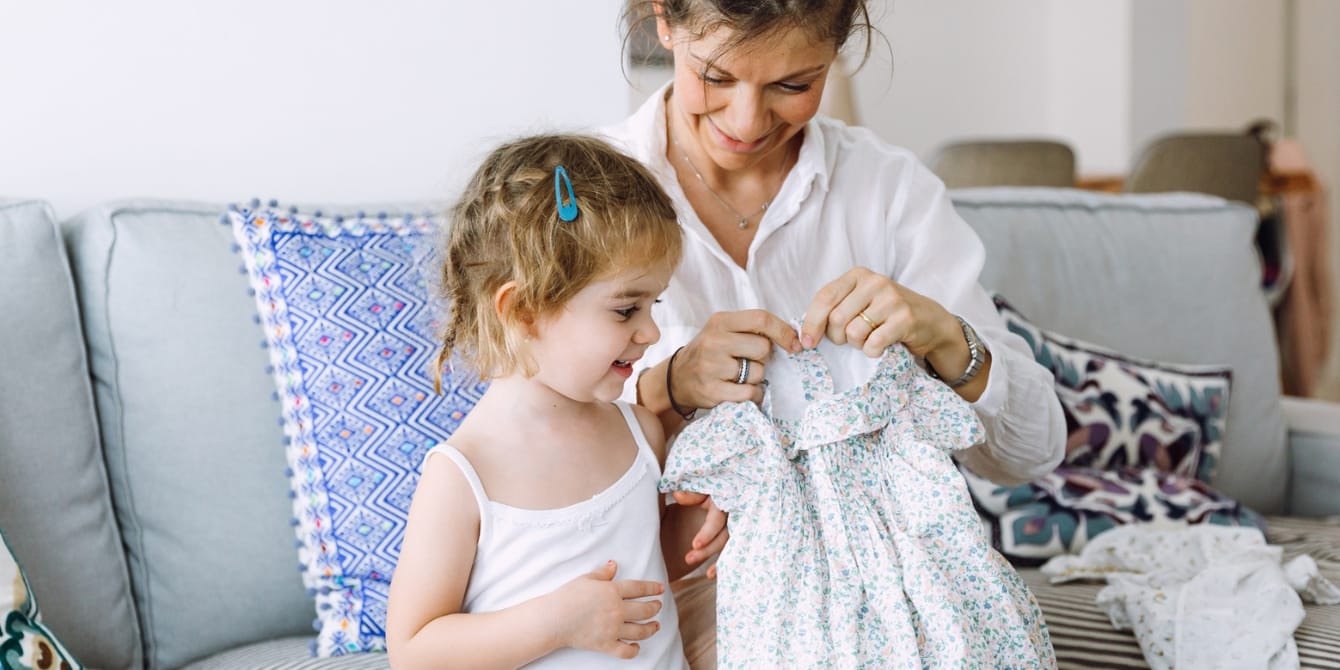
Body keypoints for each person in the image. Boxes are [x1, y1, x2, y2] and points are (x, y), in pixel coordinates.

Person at [606, 0, 1067, 577]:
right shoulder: (579, 199)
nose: (747, 122)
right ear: (664, 23)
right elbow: (515, 466)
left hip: (874, 598)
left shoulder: (889, 192)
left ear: (836, 50)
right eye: (715, 77)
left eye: (793, 83)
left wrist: (946, 339)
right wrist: (666, 389)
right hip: (655, 610)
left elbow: (1031, 454)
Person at [385, 134, 694, 669]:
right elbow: (414, 651)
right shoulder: (464, 474)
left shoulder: (641, 433)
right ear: (524, 312)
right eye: (626, 310)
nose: (650, 332)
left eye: (654, 304)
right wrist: (556, 622)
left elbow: (645, 572)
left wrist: (704, 523)